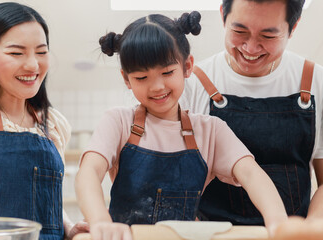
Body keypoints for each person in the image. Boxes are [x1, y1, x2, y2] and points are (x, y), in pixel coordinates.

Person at [75, 11, 287, 240]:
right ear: (126, 79)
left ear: (187, 67)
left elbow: (252, 175)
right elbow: (89, 172)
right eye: (141, 78)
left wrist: (278, 223)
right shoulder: (118, 122)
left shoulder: (211, 130)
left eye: (167, 72)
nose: (157, 86)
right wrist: (99, 221)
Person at [180, 0, 323, 226]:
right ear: (223, 17)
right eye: (239, 31)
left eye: (267, 36)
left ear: (292, 28)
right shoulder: (190, 85)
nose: (250, 48)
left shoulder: (316, 81)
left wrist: (313, 225)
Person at [0, 3, 87, 240]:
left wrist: (70, 228)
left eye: (41, 52)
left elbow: (47, 202)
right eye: (16, 53)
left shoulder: (54, 125)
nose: (32, 65)